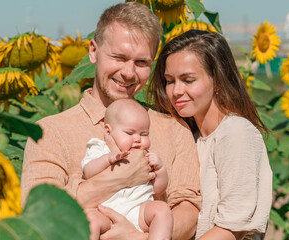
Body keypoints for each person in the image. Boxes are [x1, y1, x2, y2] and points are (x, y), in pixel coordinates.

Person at [21, 2, 201, 240]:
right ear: (93, 51)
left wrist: (137, 237)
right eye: (119, 57)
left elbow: (189, 211)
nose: (128, 72)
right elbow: (39, 213)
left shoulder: (174, 129)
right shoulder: (49, 132)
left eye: (141, 63)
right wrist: (121, 177)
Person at [148, 29, 273, 240]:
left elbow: (231, 228)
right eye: (170, 80)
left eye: (188, 80)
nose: (176, 91)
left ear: (217, 80)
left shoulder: (236, 133)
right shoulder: (190, 136)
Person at [82, 99, 173, 240]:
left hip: (138, 210)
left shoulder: (146, 156)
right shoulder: (100, 148)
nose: (137, 139)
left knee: (162, 209)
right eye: (130, 133)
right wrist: (107, 159)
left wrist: (160, 169)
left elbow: (158, 189)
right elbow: (88, 171)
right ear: (108, 131)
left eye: (144, 134)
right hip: (105, 212)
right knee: (90, 220)